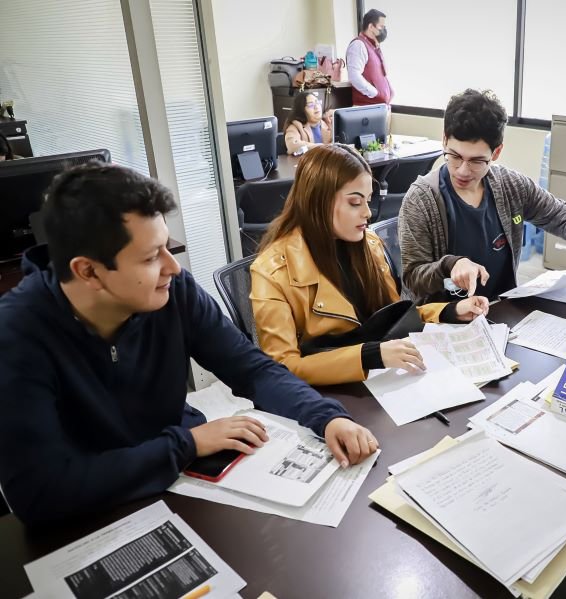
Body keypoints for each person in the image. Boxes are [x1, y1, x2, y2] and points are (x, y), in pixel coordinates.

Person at [0, 163, 379, 526]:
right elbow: (40, 492)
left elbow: (252, 369)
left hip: (180, 476)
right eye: (151, 257)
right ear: (88, 271)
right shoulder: (17, 333)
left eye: (166, 246)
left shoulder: (174, 290)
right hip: (94, 506)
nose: (173, 267)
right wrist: (186, 444)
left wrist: (326, 417)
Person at [250, 144, 489, 387]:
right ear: (317, 202)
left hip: (382, 382)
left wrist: (449, 311)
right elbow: (283, 368)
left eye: (368, 200)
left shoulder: (369, 245)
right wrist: (369, 356)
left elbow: (389, 320)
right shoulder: (271, 272)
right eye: (355, 202)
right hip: (328, 394)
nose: (368, 212)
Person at [399, 89, 566, 303]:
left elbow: (563, 215)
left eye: (476, 161)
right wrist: (450, 265)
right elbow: (413, 277)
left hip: (502, 311)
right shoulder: (422, 199)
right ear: (444, 140)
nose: (462, 170)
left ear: (496, 152)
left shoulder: (511, 186)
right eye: (454, 156)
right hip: (441, 317)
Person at [346, 9, 393, 107]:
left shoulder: (374, 47)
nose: (384, 30)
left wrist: (391, 92)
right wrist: (375, 93)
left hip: (380, 107)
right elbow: (354, 76)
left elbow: (381, 75)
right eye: (381, 27)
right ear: (371, 27)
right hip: (367, 108)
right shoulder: (358, 45)